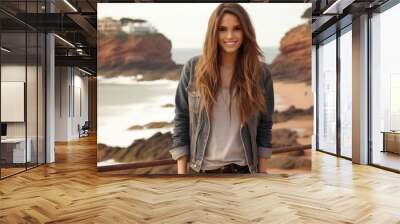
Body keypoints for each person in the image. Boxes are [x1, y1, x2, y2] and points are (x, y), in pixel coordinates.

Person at [169, 3, 274, 174]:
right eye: (222, 29)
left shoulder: (261, 74)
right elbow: (181, 118)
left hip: (245, 172)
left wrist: (262, 174)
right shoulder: (193, 68)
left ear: (246, 31)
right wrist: (182, 174)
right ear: (213, 33)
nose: (230, 35)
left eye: (237, 28)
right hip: (202, 172)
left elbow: (265, 124)